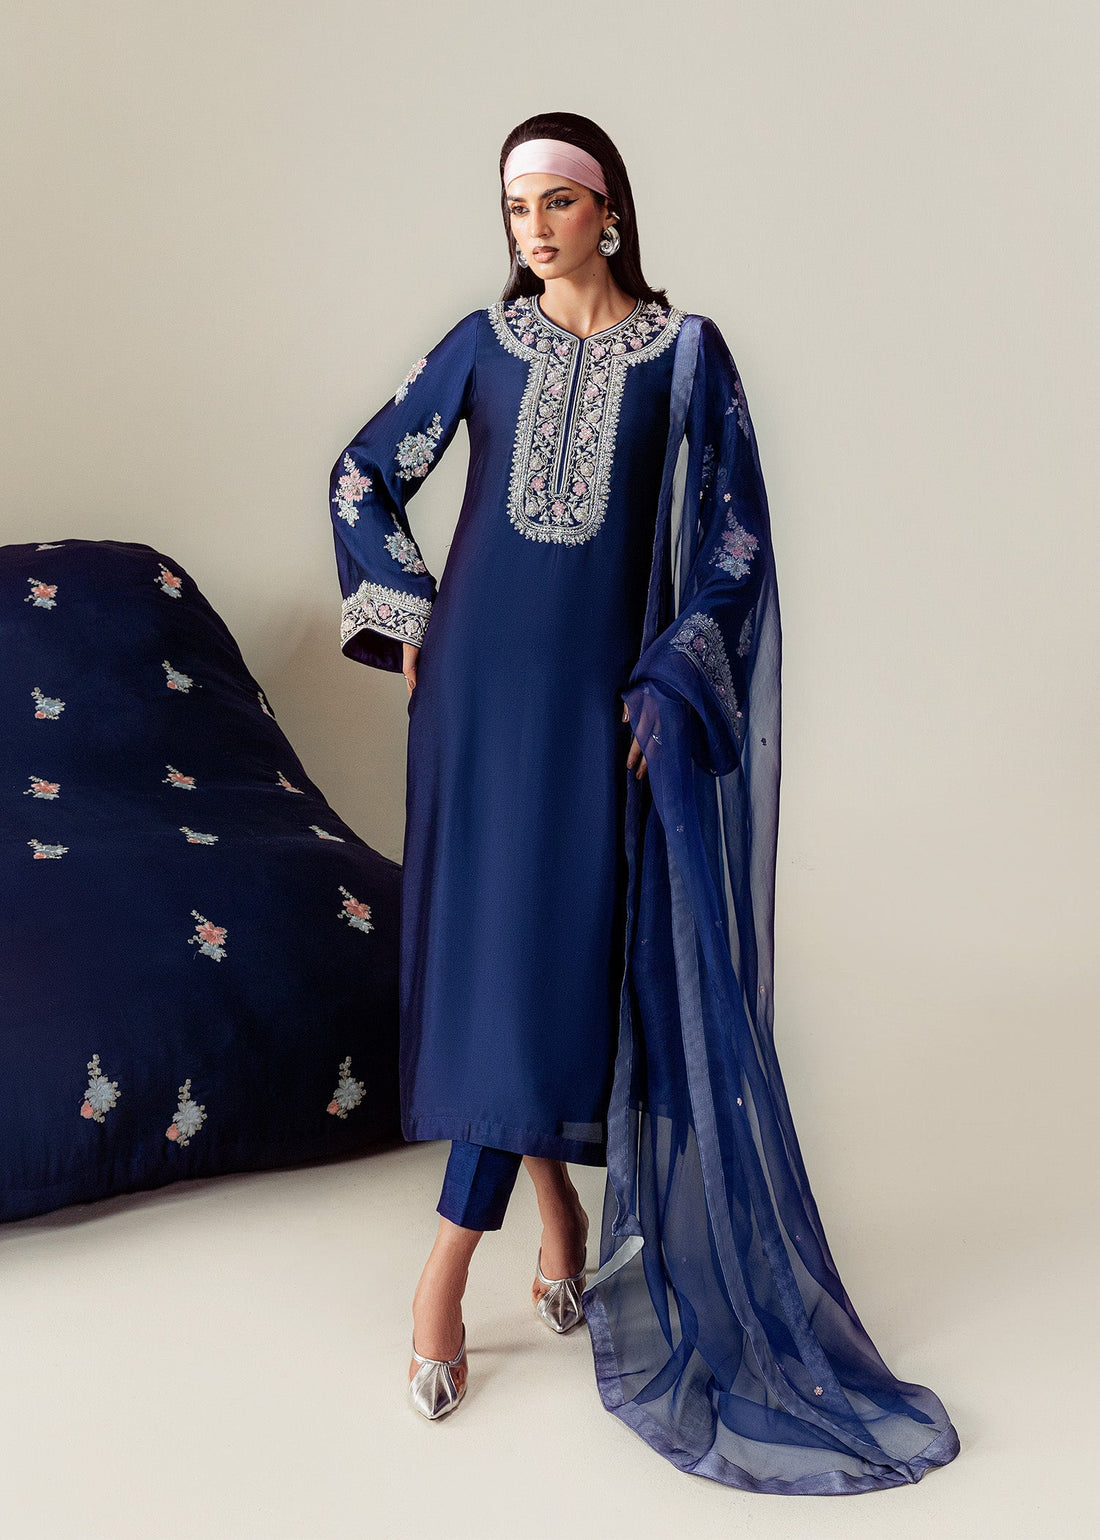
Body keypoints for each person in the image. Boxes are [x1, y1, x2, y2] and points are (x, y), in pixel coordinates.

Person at [329, 112, 961, 1494]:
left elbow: (734, 540)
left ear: (608, 210)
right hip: (476, 699)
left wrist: (675, 673)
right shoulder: (482, 346)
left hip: (595, 711)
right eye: (515, 208)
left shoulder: (684, 358)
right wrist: (407, 607)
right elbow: (363, 469)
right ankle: (477, 1255)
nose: (534, 228)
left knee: (553, 967)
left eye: (557, 203)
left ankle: (499, 1241)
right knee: (497, 966)